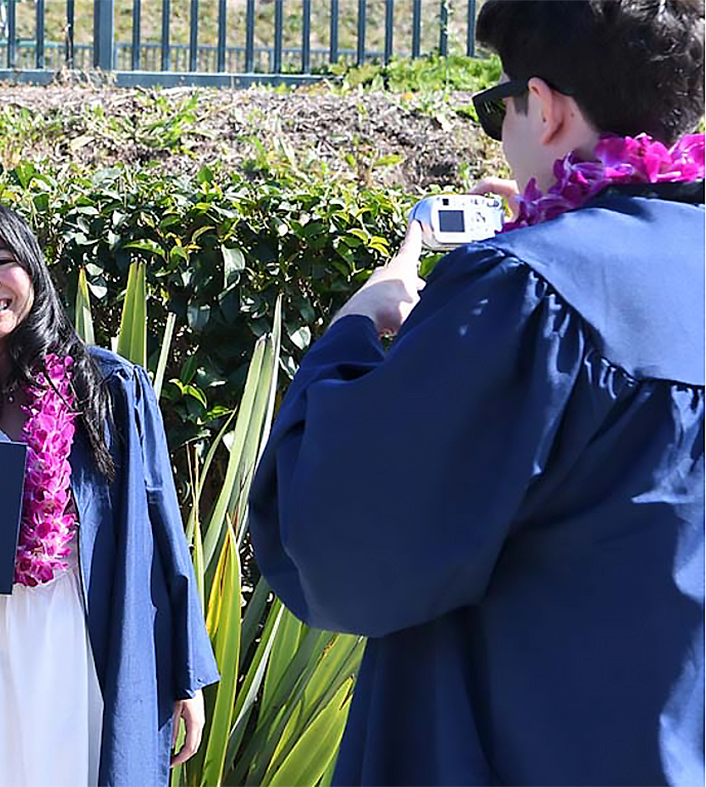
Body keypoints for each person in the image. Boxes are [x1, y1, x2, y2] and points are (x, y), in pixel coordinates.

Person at [247, 0, 704, 783]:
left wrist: (356, 331)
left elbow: (346, 552)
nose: (501, 130)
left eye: (501, 107)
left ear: (551, 110)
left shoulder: (527, 294)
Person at [0, 200, 218, 786]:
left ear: (32, 271)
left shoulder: (108, 390)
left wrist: (182, 674)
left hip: (80, 641)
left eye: (2, 260)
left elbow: (160, 535)